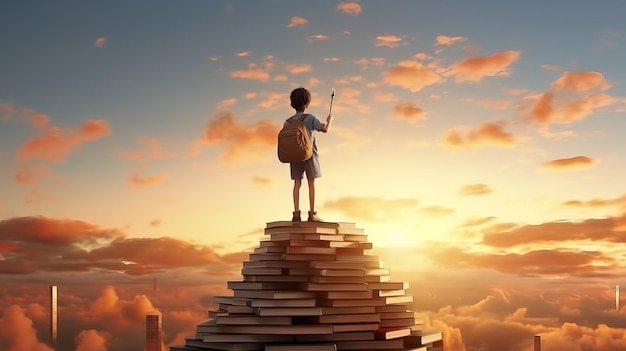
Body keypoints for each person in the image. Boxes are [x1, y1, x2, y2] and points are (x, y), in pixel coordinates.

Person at [286, 87, 333, 222]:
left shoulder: (287, 122)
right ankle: (312, 214)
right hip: (310, 155)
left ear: (292, 104)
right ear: (307, 103)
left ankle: (296, 214)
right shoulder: (310, 118)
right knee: (311, 184)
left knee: (297, 184)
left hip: (294, 156)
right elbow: (325, 130)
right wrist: (330, 120)